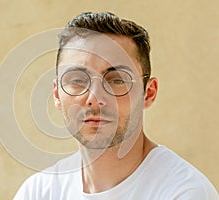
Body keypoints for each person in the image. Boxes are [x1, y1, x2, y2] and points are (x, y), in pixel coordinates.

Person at [14, 12, 218, 200]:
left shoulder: (183, 192)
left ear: (149, 93)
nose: (94, 98)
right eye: (77, 79)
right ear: (57, 94)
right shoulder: (38, 192)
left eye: (117, 80)